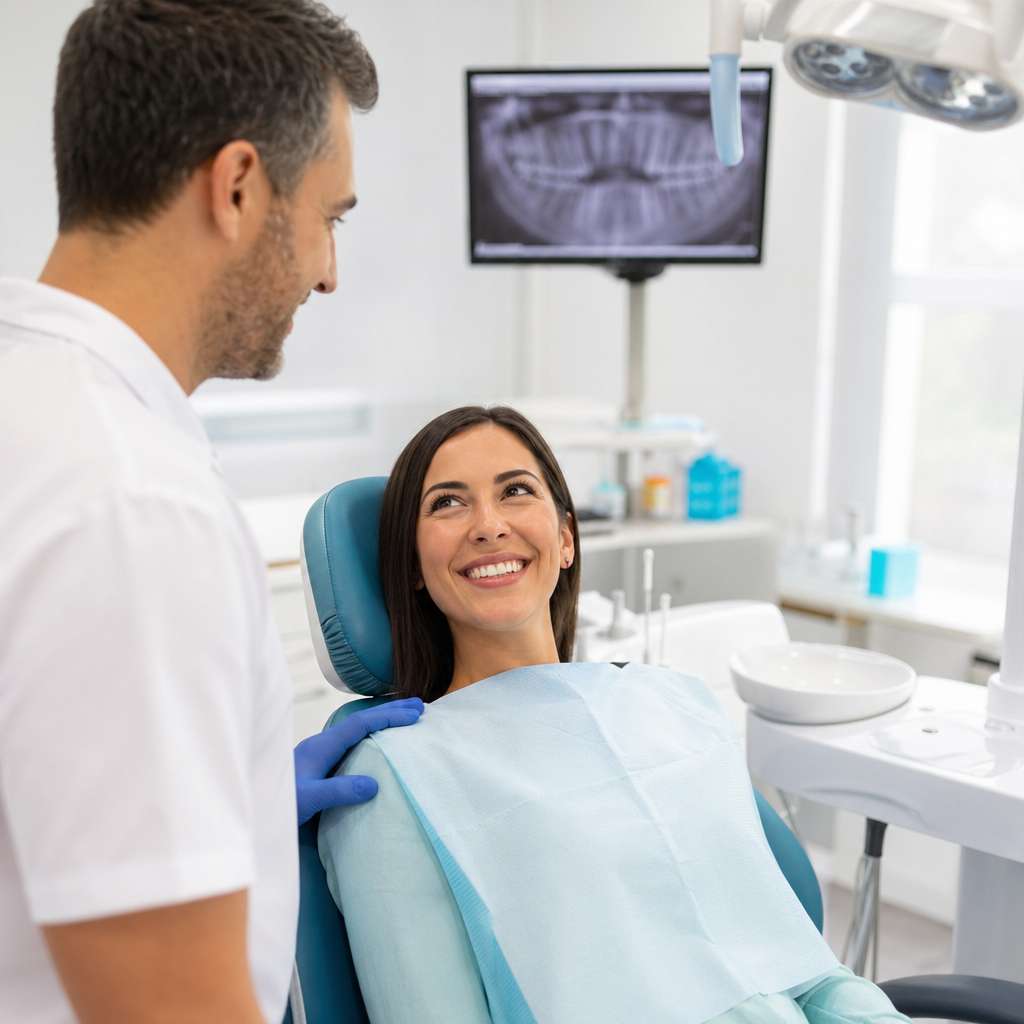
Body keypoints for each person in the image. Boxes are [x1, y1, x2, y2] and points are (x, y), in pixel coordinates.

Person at [0, 3, 421, 1022]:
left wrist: (233, 794)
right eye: (330, 216)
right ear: (236, 187)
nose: (329, 272)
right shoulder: (132, 504)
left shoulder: (34, 403)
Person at [318, 406, 910, 1024]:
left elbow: (808, 973)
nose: (489, 526)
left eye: (516, 491)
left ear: (566, 539)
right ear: (413, 565)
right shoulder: (395, 776)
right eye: (448, 503)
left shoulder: (673, 703)